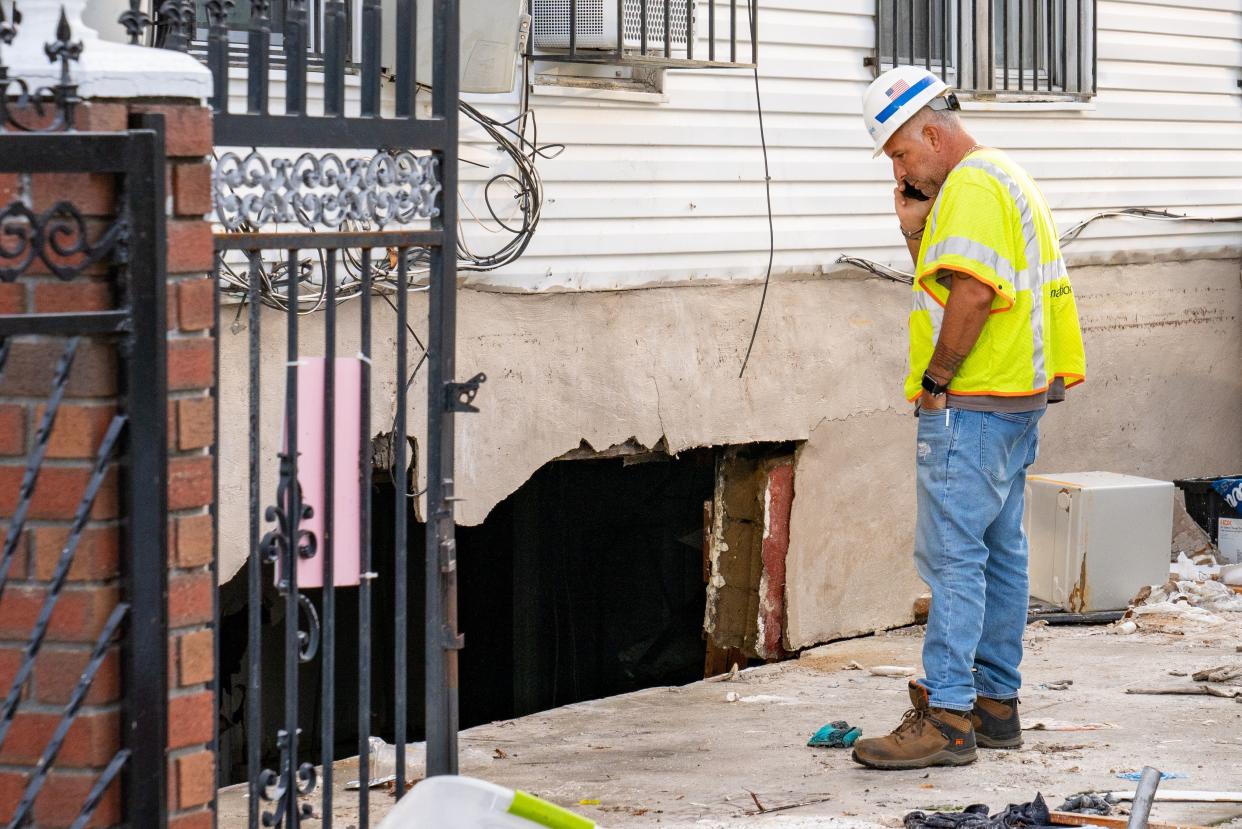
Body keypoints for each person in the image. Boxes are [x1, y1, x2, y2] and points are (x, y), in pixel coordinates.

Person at [849, 66, 1086, 770]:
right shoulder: (1001, 177)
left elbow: (975, 294)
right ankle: (994, 703)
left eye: (899, 153)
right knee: (1001, 553)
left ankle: (948, 715)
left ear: (929, 130)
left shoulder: (974, 186)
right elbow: (955, 276)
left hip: (972, 401)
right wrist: (915, 228)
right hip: (1015, 400)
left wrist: (934, 381)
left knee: (953, 558)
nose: (899, 167)